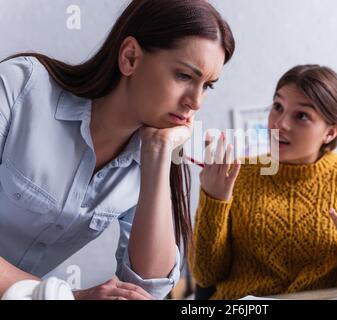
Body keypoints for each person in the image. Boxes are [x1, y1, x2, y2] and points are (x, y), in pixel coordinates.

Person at [0, 0, 234, 300]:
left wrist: (159, 157)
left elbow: (148, 287)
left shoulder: (146, 153)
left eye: (207, 85)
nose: (196, 102)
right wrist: (67, 296)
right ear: (130, 57)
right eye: (185, 76)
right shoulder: (20, 87)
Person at [189, 65, 337, 300]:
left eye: (301, 115)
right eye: (277, 107)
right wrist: (214, 200)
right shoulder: (237, 173)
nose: (280, 123)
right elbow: (205, 275)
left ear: (330, 133)